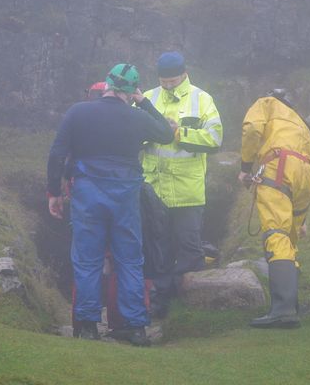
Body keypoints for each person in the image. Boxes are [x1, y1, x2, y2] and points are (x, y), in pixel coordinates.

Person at [47, 64, 174, 345]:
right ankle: (136, 327)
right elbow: (166, 133)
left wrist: (53, 192)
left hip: (87, 193)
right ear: (132, 91)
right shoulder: (137, 116)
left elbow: (57, 153)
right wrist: (144, 101)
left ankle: (88, 326)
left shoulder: (79, 112)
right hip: (125, 196)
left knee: (87, 259)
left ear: (106, 84)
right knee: (129, 259)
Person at [142, 51, 223, 318]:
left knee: (190, 248)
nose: (167, 85)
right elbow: (131, 130)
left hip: (188, 192)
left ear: (185, 74)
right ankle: (160, 305)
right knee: (158, 250)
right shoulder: (148, 99)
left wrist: (178, 132)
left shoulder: (202, 99)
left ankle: (191, 304)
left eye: (172, 81)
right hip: (155, 191)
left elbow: (214, 139)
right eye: (164, 81)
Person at [237, 89, 310, 328]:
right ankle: (292, 305)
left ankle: (282, 310)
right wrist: (302, 221)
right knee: (290, 237)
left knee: (276, 234)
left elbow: (251, 129)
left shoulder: (266, 103)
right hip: (306, 173)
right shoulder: (299, 121)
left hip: (278, 166)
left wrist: (245, 166)